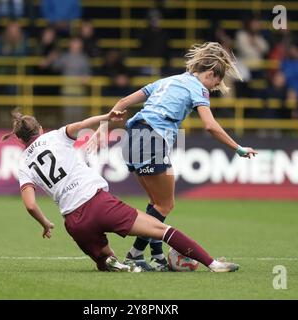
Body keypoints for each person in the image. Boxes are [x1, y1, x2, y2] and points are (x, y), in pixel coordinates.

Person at [0, 110, 240, 273]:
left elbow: (30, 204)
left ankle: (123, 265)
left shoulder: (23, 163)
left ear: (19, 141)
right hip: (99, 203)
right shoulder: (55, 136)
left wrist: (45, 223)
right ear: (40, 129)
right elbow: (85, 124)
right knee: (162, 230)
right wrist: (108, 116)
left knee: (107, 263)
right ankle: (213, 263)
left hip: (74, 221)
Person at [88, 42, 257, 271]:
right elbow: (210, 125)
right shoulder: (198, 88)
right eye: (215, 83)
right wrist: (237, 148)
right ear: (209, 74)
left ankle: (156, 257)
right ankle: (135, 255)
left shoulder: (166, 81)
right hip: (152, 138)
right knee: (166, 205)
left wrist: (102, 128)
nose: (213, 89)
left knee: (156, 205)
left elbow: (123, 103)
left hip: (132, 138)